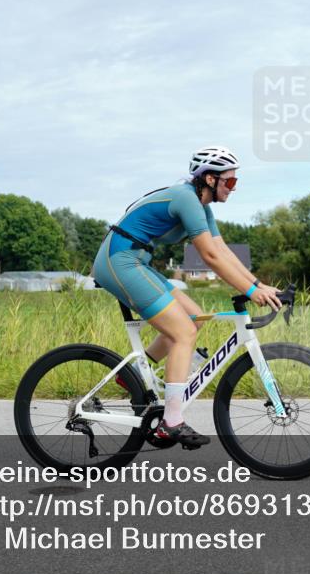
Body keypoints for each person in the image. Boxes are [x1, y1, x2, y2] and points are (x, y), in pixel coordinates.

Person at [92, 146, 282, 448]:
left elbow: (222, 250)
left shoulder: (202, 207)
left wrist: (259, 284)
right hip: (119, 261)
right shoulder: (186, 199)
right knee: (182, 332)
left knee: (194, 318)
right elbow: (209, 257)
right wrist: (250, 291)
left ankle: (133, 377)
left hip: (136, 261)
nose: (234, 188)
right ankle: (171, 422)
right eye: (230, 181)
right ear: (210, 179)